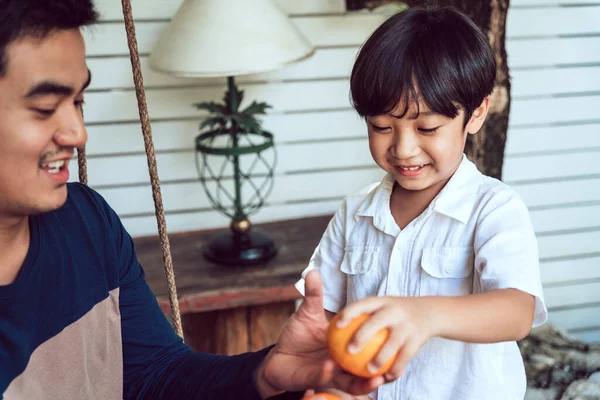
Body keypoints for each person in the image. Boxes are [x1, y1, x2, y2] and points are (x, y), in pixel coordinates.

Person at [0, 1, 385, 399]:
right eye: (45, 109)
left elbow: (155, 376)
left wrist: (266, 374)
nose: (77, 134)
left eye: (78, 102)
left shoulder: (86, 221)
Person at [295, 6, 547, 400]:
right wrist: (332, 383)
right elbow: (327, 318)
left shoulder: (493, 208)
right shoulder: (353, 213)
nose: (403, 148)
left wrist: (425, 314)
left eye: (427, 127)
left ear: (476, 113)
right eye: (381, 127)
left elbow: (517, 311)